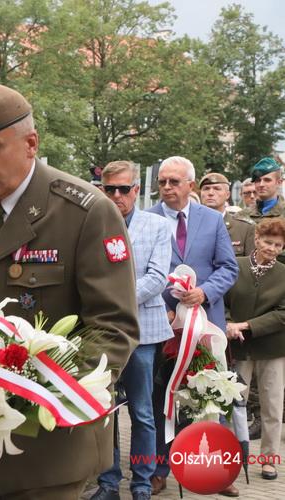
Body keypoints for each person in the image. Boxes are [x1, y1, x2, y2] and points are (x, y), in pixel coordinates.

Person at [0, 84, 139, 500]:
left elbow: (114, 328)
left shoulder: (85, 212)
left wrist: (32, 392)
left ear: (31, 144)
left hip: (49, 446)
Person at [147, 156, 238, 495]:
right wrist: (162, 309)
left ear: (191, 185)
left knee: (211, 395)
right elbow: (138, 272)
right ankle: (159, 469)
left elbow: (228, 267)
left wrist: (205, 292)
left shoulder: (212, 220)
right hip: (163, 325)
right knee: (161, 397)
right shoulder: (147, 219)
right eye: (162, 182)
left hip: (204, 324)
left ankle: (216, 471)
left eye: (174, 181)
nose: (167, 187)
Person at [91, 161, 172, 500]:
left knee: (142, 412)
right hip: (102, 332)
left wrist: (115, 301)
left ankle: (142, 483)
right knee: (105, 411)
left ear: (137, 190)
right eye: (110, 189)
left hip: (143, 333)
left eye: (124, 189)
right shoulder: (92, 222)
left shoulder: (158, 225)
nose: (117, 195)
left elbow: (158, 277)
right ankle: (108, 482)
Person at [226, 218, 285, 482]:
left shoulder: (284, 273)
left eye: (278, 245)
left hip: (273, 347)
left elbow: (283, 314)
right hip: (238, 346)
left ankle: (269, 460)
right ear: (257, 239)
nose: (272, 248)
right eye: (268, 242)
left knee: (272, 405)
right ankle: (231, 456)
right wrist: (227, 324)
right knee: (233, 403)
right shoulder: (235, 266)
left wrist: (246, 325)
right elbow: (221, 300)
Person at [199, 172, 255, 257]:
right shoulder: (189, 224)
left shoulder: (245, 228)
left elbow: (250, 263)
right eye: (206, 189)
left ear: (227, 194)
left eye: (217, 189)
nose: (210, 193)